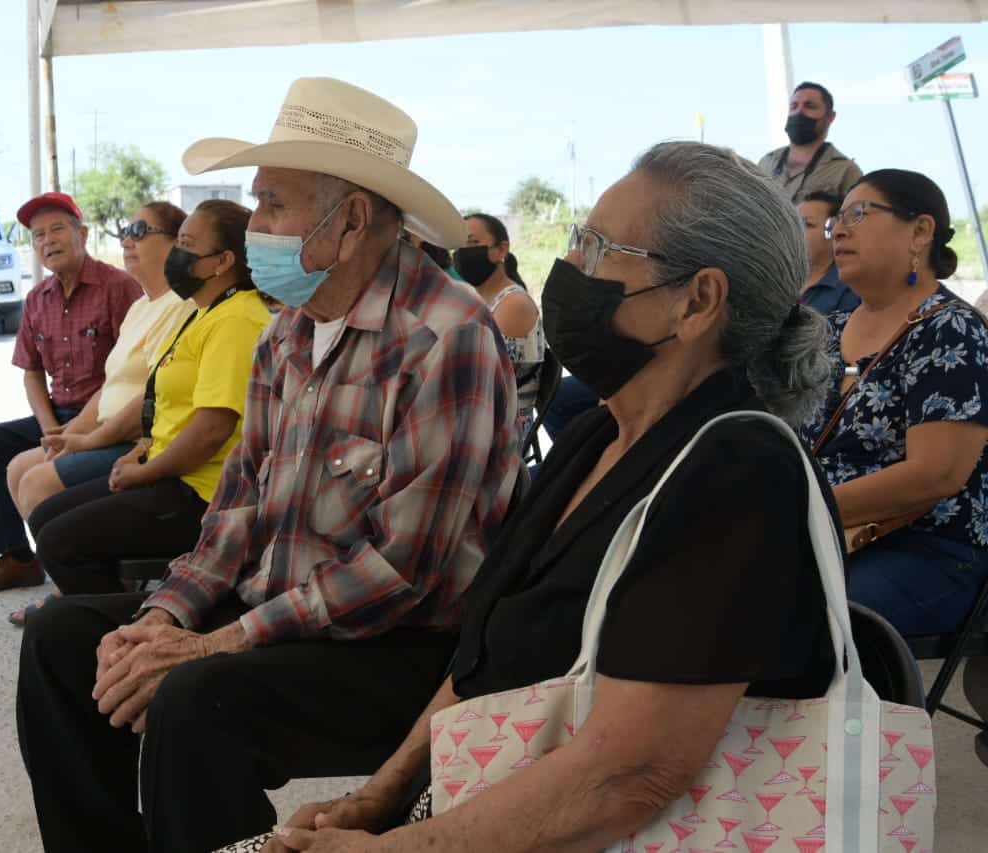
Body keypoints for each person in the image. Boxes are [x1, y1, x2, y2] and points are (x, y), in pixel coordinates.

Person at [229, 141, 837, 853]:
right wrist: (377, 798)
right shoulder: (593, 436)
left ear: (697, 302)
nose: (569, 268)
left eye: (598, 246)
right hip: (480, 801)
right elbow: (478, 663)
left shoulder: (737, 471)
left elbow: (629, 775)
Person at [16, 77, 522, 853]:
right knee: (62, 640)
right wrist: (163, 617)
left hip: (404, 647)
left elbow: (400, 571)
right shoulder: (288, 333)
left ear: (350, 221)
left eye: (274, 205)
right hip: (284, 612)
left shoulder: (446, 335)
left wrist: (215, 643)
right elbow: (237, 510)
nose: (257, 228)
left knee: (194, 695)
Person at [17, 200, 270, 608]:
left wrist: (144, 472)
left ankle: (119, 631)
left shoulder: (237, 320)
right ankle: (117, 617)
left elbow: (212, 429)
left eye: (186, 243)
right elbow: (163, 402)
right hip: (168, 469)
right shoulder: (203, 313)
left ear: (222, 261)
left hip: (203, 493)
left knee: (60, 541)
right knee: (47, 517)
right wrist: (140, 451)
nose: (177, 254)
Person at [801, 169, 988, 637]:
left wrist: (804, 508)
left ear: (920, 231)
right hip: (824, 538)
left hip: (927, 547)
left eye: (859, 214)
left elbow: (937, 473)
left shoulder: (950, 329)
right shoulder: (828, 331)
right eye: (836, 221)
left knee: (804, 626)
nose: (839, 229)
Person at [2, 201, 198, 624]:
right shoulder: (144, 304)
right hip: (100, 424)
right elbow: (109, 387)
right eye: (125, 230)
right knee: (17, 465)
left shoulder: (180, 304)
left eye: (140, 230)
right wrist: (68, 433)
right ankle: (74, 582)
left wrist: (88, 441)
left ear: (177, 242)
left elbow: (151, 397)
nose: (127, 239)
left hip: (136, 440)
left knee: (36, 482)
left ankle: (82, 593)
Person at [0, 192, 141, 595]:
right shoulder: (37, 298)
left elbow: (134, 369)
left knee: (39, 468)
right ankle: (18, 560)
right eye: (37, 235)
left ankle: (84, 566)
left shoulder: (119, 288)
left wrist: (73, 432)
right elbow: (31, 373)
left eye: (58, 228)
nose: (47, 240)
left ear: (83, 233)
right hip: (56, 414)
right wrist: (49, 427)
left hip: (107, 417)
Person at [453, 213, 546, 443]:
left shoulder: (513, 304)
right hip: (480, 419)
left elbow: (484, 378)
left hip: (501, 432)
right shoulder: (480, 301)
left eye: (473, 243)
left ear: (501, 250)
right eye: (459, 245)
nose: (463, 252)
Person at [757, 82, 863, 205]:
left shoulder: (845, 170)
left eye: (810, 106)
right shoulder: (766, 163)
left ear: (830, 116)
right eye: (793, 106)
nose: (799, 112)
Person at [798, 190, 860, 315]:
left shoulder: (849, 291)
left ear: (834, 230)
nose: (795, 229)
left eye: (807, 224)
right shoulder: (776, 275)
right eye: (793, 222)